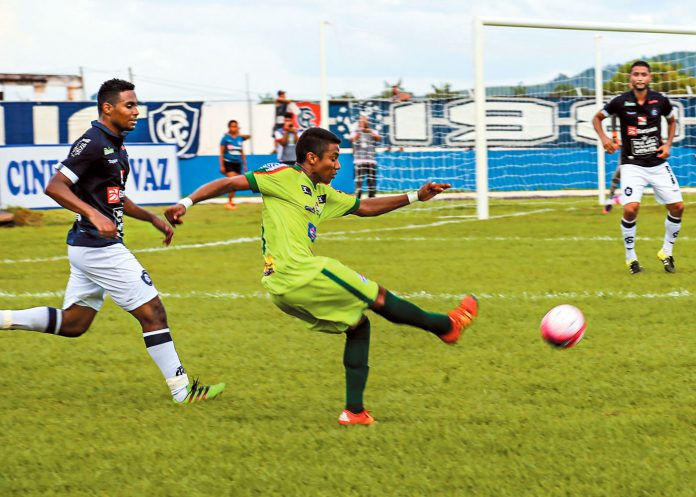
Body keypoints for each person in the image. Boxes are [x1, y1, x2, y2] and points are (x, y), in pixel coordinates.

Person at [164, 127, 478, 425]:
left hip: (281, 289)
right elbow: (229, 184)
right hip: (300, 271)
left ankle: (354, 412)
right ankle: (446, 326)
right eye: (333, 158)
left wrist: (415, 197)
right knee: (378, 297)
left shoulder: (321, 194)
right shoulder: (283, 175)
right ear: (312, 158)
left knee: (358, 326)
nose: (338, 165)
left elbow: (364, 207)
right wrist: (185, 203)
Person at [0, 79, 225, 404]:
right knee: (153, 312)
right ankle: (183, 391)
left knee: (74, 323)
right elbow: (55, 186)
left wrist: (150, 218)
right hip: (98, 248)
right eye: (129, 105)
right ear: (108, 108)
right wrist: (93, 215)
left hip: (89, 247)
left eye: (136, 105)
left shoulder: (115, 144)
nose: (136, 112)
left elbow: (115, 197)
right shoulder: (92, 142)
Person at [592, 60, 683, 275]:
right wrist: (604, 138)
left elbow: (671, 121)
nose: (639, 77)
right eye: (635, 74)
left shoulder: (660, 101)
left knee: (678, 207)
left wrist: (668, 144)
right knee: (631, 208)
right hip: (632, 164)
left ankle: (666, 252)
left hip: (658, 163)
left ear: (649, 78)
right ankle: (631, 258)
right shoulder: (620, 102)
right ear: (630, 78)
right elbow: (597, 118)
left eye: (643, 74)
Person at [219, 119, 251, 210]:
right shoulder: (225, 138)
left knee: (235, 185)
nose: (234, 128)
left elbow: (242, 151)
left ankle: (230, 201)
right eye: (232, 126)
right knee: (232, 181)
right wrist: (221, 165)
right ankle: (229, 202)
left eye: (235, 126)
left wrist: (245, 164)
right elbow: (221, 153)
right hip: (228, 163)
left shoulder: (239, 138)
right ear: (229, 127)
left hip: (238, 163)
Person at [351, 114, 382, 198]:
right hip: (359, 160)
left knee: (371, 182)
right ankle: (357, 200)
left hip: (370, 160)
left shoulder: (373, 131)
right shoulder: (355, 131)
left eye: (365, 120)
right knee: (359, 183)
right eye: (362, 120)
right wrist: (361, 131)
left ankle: (372, 199)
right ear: (359, 122)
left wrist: (369, 131)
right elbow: (353, 140)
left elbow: (378, 138)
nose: (364, 122)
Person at [602, 116, 622, 215]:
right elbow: (614, 115)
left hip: (641, 149)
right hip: (627, 150)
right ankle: (610, 200)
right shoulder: (623, 104)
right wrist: (614, 137)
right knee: (616, 176)